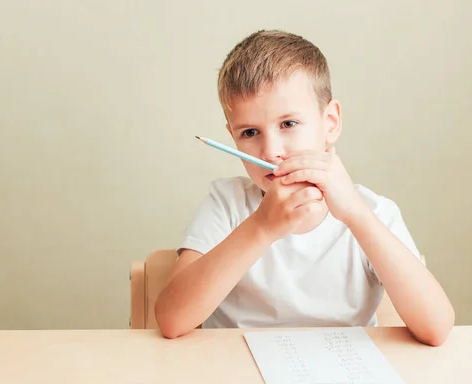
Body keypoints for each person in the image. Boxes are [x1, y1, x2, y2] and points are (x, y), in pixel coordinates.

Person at [155, 30, 454, 345]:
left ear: (330, 123)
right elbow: (172, 320)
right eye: (250, 132)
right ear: (232, 136)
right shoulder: (227, 203)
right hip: (236, 378)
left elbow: (436, 329)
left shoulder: (374, 211)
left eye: (288, 124)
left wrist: (355, 214)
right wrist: (262, 227)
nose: (271, 151)